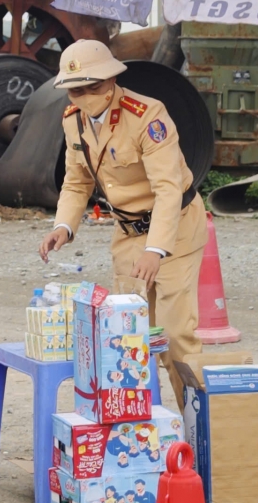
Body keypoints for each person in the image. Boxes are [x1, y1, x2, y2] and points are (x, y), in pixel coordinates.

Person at [38, 39, 208, 407]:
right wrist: (63, 227)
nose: (84, 98)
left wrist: (155, 250)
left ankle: (196, 425)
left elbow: (167, 190)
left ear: (112, 80)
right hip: (128, 232)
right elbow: (77, 180)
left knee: (176, 335)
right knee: (128, 334)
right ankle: (141, 427)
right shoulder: (74, 122)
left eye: (93, 88)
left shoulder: (147, 115)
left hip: (174, 228)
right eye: (76, 91)